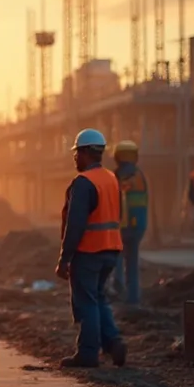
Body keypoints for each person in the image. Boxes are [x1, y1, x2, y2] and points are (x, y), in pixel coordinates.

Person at [56, 129, 128, 369]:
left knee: (86, 301)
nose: (75, 158)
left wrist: (65, 258)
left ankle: (88, 353)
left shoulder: (84, 183)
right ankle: (113, 343)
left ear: (86, 152)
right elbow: (118, 214)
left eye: (77, 153)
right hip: (111, 249)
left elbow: (75, 224)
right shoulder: (111, 178)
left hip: (89, 251)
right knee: (98, 298)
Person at [112, 140, 149, 305]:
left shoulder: (113, 177)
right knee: (132, 262)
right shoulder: (140, 176)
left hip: (118, 226)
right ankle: (133, 299)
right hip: (137, 226)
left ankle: (118, 287)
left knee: (116, 257)